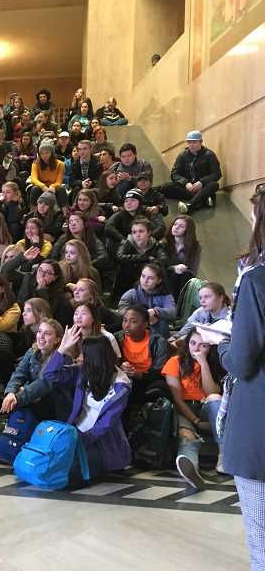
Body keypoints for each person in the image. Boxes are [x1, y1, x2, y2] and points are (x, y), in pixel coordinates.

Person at [198, 189, 265, 568]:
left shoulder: (256, 280)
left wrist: (220, 343)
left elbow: (242, 363)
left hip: (259, 421)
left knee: (261, 537)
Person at [43, 328, 132, 482]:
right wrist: (62, 349)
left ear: (94, 359)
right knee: (49, 464)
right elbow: (50, 375)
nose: (79, 357)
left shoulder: (121, 386)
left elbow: (105, 424)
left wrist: (78, 442)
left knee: (67, 472)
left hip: (101, 443)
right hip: (76, 433)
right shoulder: (83, 373)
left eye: (84, 354)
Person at [162, 329, 224, 489]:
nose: (196, 349)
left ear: (210, 347)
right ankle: (190, 468)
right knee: (186, 435)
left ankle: (223, 455)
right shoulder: (174, 362)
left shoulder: (213, 364)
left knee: (215, 398)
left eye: (202, 345)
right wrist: (195, 421)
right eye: (192, 343)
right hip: (184, 408)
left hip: (206, 407)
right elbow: (177, 399)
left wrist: (203, 363)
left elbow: (212, 392)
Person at [1, 318, 67, 420]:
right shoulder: (32, 351)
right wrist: (11, 393)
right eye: (40, 331)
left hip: (52, 407)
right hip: (30, 399)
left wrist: (19, 395)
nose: (41, 336)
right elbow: (19, 374)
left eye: (47, 333)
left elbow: (43, 385)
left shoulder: (63, 359)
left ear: (57, 339)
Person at [114, 303, 168, 408]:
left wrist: (139, 375)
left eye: (133, 321)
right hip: (122, 379)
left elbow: (160, 372)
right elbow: (110, 363)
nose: (127, 325)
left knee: (159, 387)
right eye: (125, 320)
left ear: (145, 324)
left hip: (147, 380)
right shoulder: (117, 338)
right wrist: (120, 367)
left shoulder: (158, 342)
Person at [160, 130, 222, 214]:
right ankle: (203, 199)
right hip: (188, 188)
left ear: (201, 142)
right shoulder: (182, 155)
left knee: (214, 185)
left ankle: (190, 205)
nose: (191, 145)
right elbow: (174, 174)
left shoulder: (209, 155)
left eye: (194, 142)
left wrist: (202, 182)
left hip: (202, 187)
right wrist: (185, 183)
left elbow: (217, 174)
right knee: (166, 187)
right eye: (189, 142)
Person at [118, 263, 176, 337]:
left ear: (159, 281)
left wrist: (156, 311)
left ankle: (158, 344)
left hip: (157, 330)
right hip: (136, 328)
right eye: (143, 276)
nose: (145, 281)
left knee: (161, 319)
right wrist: (136, 316)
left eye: (150, 278)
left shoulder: (165, 295)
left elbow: (172, 311)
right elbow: (122, 305)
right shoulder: (133, 292)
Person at [163, 215, 202, 298]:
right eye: (175, 224)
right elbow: (161, 266)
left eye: (181, 226)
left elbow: (193, 270)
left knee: (185, 276)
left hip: (184, 279)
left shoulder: (195, 247)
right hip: (167, 277)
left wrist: (182, 269)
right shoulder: (164, 244)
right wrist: (174, 268)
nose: (176, 227)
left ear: (188, 230)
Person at [28, 142, 67, 208]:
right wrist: (43, 186)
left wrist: (53, 186)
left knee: (61, 189)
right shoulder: (36, 163)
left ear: (51, 153)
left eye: (47, 153)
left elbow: (59, 181)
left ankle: (65, 212)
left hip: (53, 186)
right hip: (41, 185)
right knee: (35, 189)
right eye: (42, 154)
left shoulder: (60, 164)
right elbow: (33, 178)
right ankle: (33, 212)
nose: (44, 155)